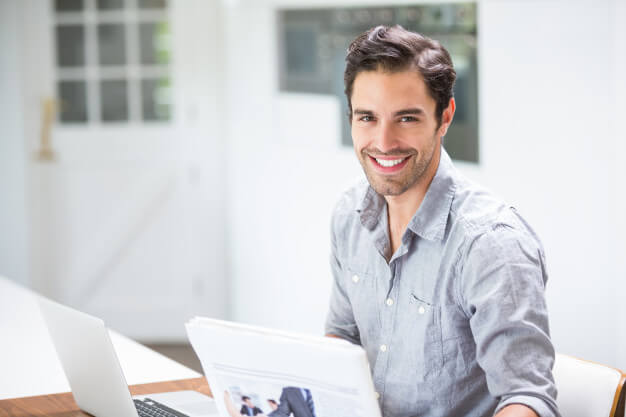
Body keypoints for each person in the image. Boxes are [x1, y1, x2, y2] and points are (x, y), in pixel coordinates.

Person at [325, 25, 560, 417]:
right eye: (367, 117)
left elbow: (527, 399)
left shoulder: (491, 243)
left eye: (406, 119)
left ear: (444, 116)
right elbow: (343, 339)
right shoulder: (349, 214)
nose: (383, 142)